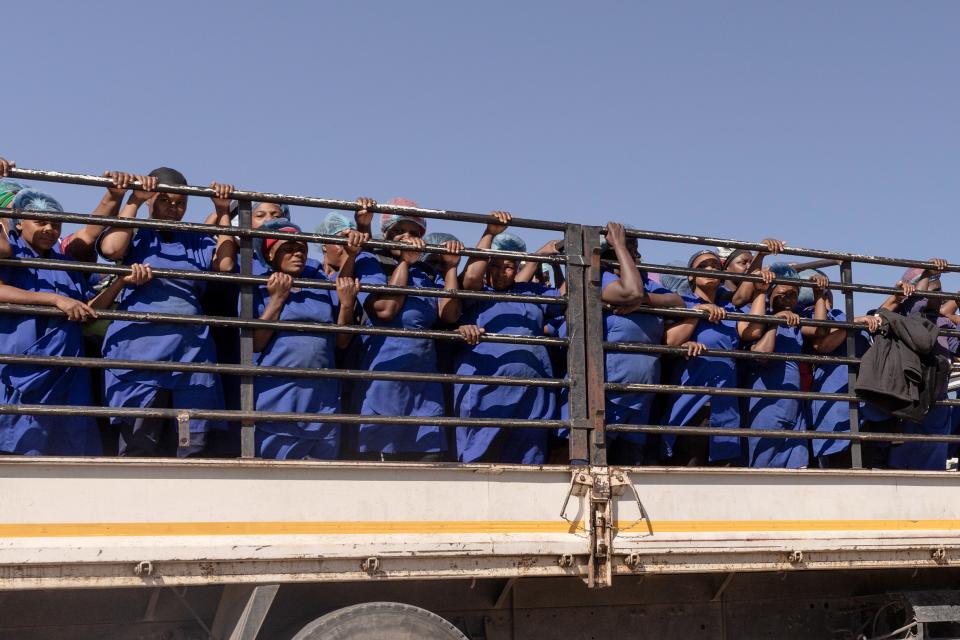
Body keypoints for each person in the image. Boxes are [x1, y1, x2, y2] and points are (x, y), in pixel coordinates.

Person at [0, 187, 153, 455]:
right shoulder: (10, 256)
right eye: (41, 222)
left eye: (56, 224)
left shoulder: (67, 263)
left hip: (69, 373)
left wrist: (120, 283)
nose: (49, 229)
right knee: (18, 449)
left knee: (70, 452)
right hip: (22, 373)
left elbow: (86, 310)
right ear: (19, 222)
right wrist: (54, 300)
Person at [97, 167, 238, 457]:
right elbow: (111, 249)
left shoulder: (196, 239)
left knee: (192, 444)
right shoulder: (137, 232)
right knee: (140, 442)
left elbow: (224, 266)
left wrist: (223, 210)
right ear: (152, 200)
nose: (173, 208)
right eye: (165, 200)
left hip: (190, 351)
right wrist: (134, 200)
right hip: (141, 350)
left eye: (180, 203)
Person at [351, 201, 464, 461]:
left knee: (427, 468)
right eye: (399, 231)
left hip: (424, 387)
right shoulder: (371, 261)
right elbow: (386, 308)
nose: (407, 238)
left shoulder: (425, 273)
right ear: (387, 235)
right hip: (382, 384)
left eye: (414, 233)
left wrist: (450, 268)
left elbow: (448, 315)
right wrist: (404, 263)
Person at [250, 219, 363, 459]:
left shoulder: (319, 283)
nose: (297, 253)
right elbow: (255, 342)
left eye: (301, 247)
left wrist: (346, 305)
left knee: (322, 486)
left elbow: (341, 342)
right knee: (276, 482)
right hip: (278, 401)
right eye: (288, 249)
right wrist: (277, 299)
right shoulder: (257, 285)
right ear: (270, 253)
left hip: (323, 403)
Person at [454, 214, 562, 464]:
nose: (501, 272)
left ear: (517, 267)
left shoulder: (530, 292)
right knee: (479, 459)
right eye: (494, 265)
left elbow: (568, 296)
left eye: (509, 266)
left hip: (532, 392)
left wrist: (548, 259)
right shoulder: (477, 293)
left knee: (529, 462)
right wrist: (489, 232)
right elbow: (470, 277)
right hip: (486, 392)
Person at [663, 249, 770, 466]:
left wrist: (760, 292)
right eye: (703, 267)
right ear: (690, 276)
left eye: (714, 266)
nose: (710, 270)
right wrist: (697, 312)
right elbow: (669, 341)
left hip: (725, 411)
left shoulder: (728, 309)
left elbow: (752, 331)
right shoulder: (681, 302)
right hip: (692, 407)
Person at [591, 223, 684, 465]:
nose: (631, 250)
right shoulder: (602, 276)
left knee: (629, 474)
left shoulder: (647, 284)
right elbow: (629, 292)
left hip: (641, 398)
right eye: (625, 244)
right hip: (607, 397)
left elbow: (678, 302)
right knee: (597, 468)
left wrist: (644, 299)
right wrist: (619, 246)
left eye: (633, 245)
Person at [741, 264, 831, 468]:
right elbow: (761, 355)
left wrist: (819, 295)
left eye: (793, 294)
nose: (788, 299)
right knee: (763, 467)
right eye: (782, 294)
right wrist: (774, 323)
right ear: (770, 296)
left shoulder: (796, 323)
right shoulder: (759, 320)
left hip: (794, 405)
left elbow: (820, 332)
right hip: (767, 405)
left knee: (797, 470)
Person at [867, 260, 952, 470]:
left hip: (937, 406)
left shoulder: (944, 323)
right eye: (932, 290)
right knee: (901, 473)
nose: (937, 296)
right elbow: (877, 318)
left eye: (940, 290)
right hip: (907, 403)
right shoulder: (900, 317)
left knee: (933, 469)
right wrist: (923, 273)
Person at [796, 270, 881, 469]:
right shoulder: (807, 316)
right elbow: (822, 346)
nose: (827, 292)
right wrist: (851, 324)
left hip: (860, 408)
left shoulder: (840, 316)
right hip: (835, 410)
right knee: (840, 472)